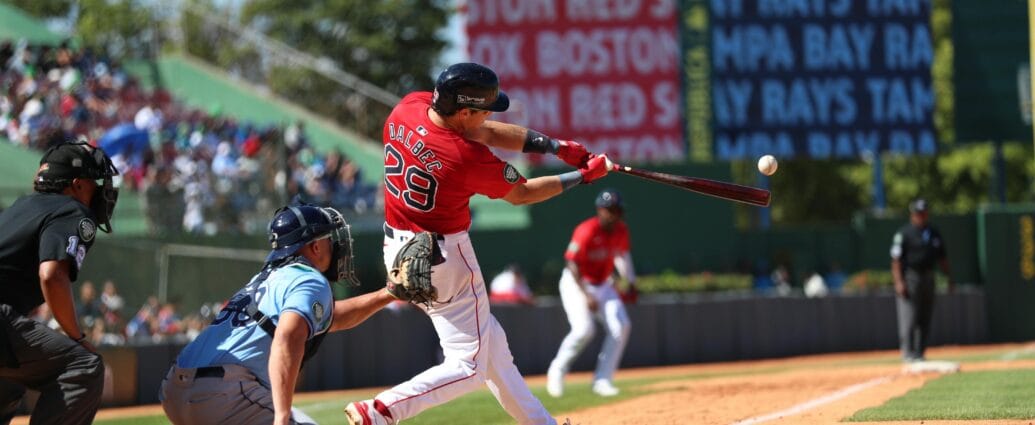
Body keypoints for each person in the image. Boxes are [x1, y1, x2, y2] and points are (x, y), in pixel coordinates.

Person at [344, 62, 610, 425]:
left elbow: (484, 131)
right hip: (443, 257)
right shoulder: (463, 156)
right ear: (464, 110)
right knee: (469, 366)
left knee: (491, 346)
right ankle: (381, 410)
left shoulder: (408, 107)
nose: (488, 114)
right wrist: (581, 176)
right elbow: (522, 193)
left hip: (398, 246)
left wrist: (555, 146)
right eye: (483, 109)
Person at [160, 202, 397, 425]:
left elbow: (330, 318)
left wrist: (388, 294)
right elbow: (288, 337)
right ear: (314, 246)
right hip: (223, 392)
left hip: (175, 389)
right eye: (327, 238)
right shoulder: (309, 278)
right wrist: (282, 416)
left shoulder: (271, 278)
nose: (334, 244)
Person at [0, 140, 119, 425]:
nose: (100, 189)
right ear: (77, 185)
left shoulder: (20, 207)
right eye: (94, 182)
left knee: (8, 383)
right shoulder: (72, 210)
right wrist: (76, 336)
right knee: (83, 365)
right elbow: (52, 275)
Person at [546, 189, 636, 398]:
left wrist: (630, 282)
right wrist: (586, 295)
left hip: (603, 284)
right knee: (584, 330)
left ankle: (602, 380)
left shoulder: (621, 231)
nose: (613, 214)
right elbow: (572, 263)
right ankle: (557, 369)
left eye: (616, 210)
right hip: (576, 283)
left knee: (621, 326)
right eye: (609, 210)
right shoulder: (587, 230)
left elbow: (623, 256)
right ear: (600, 210)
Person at [890, 198, 954, 362]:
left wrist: (949, 278)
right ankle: (907, 353)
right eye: (919, 213)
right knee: (909, 316)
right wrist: (899, 282)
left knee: (925, 316)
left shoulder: (933, 232)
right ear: (913, 214)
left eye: (924, 212)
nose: (922, 216)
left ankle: (919, 352)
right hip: (911, 276)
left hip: (929, 276)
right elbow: (896, 260)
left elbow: (942, 258)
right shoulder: (904, 233)